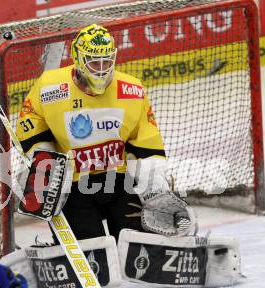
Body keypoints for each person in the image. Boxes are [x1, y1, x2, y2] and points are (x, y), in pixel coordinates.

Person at [16, 23, 194, 241]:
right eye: (93, 61)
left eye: (106, 60)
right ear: (78, 58)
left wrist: (153, 182)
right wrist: (45, 158)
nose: (101, 67)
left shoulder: (131, 89)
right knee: (92, 250)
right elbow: (31, 117)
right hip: (73, 186)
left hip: (120, 182)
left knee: (135, 244)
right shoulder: (50, 88)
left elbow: (146, 140)